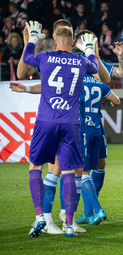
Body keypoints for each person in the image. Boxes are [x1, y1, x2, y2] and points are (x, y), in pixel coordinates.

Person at [23, 21, 99, 237]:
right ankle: (68, 223)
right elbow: (94, 67)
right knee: (68, 172)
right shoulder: (80, 60)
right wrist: (90, 49)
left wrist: (33, 40)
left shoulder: (44, 57)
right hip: (70, 122)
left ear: (54, 39)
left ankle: (40, 217)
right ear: (73, 41)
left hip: (46, 120)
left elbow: (27, 59)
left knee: (35, 166)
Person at [72, 30, 121, 225]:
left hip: (81, 127)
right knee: (98, 166)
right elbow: (116, 101)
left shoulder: (75, 78)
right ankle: (88, 211)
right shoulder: (99, 81)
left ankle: (96, 210)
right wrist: (104, 101)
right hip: (96, 128)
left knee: (81, 173)